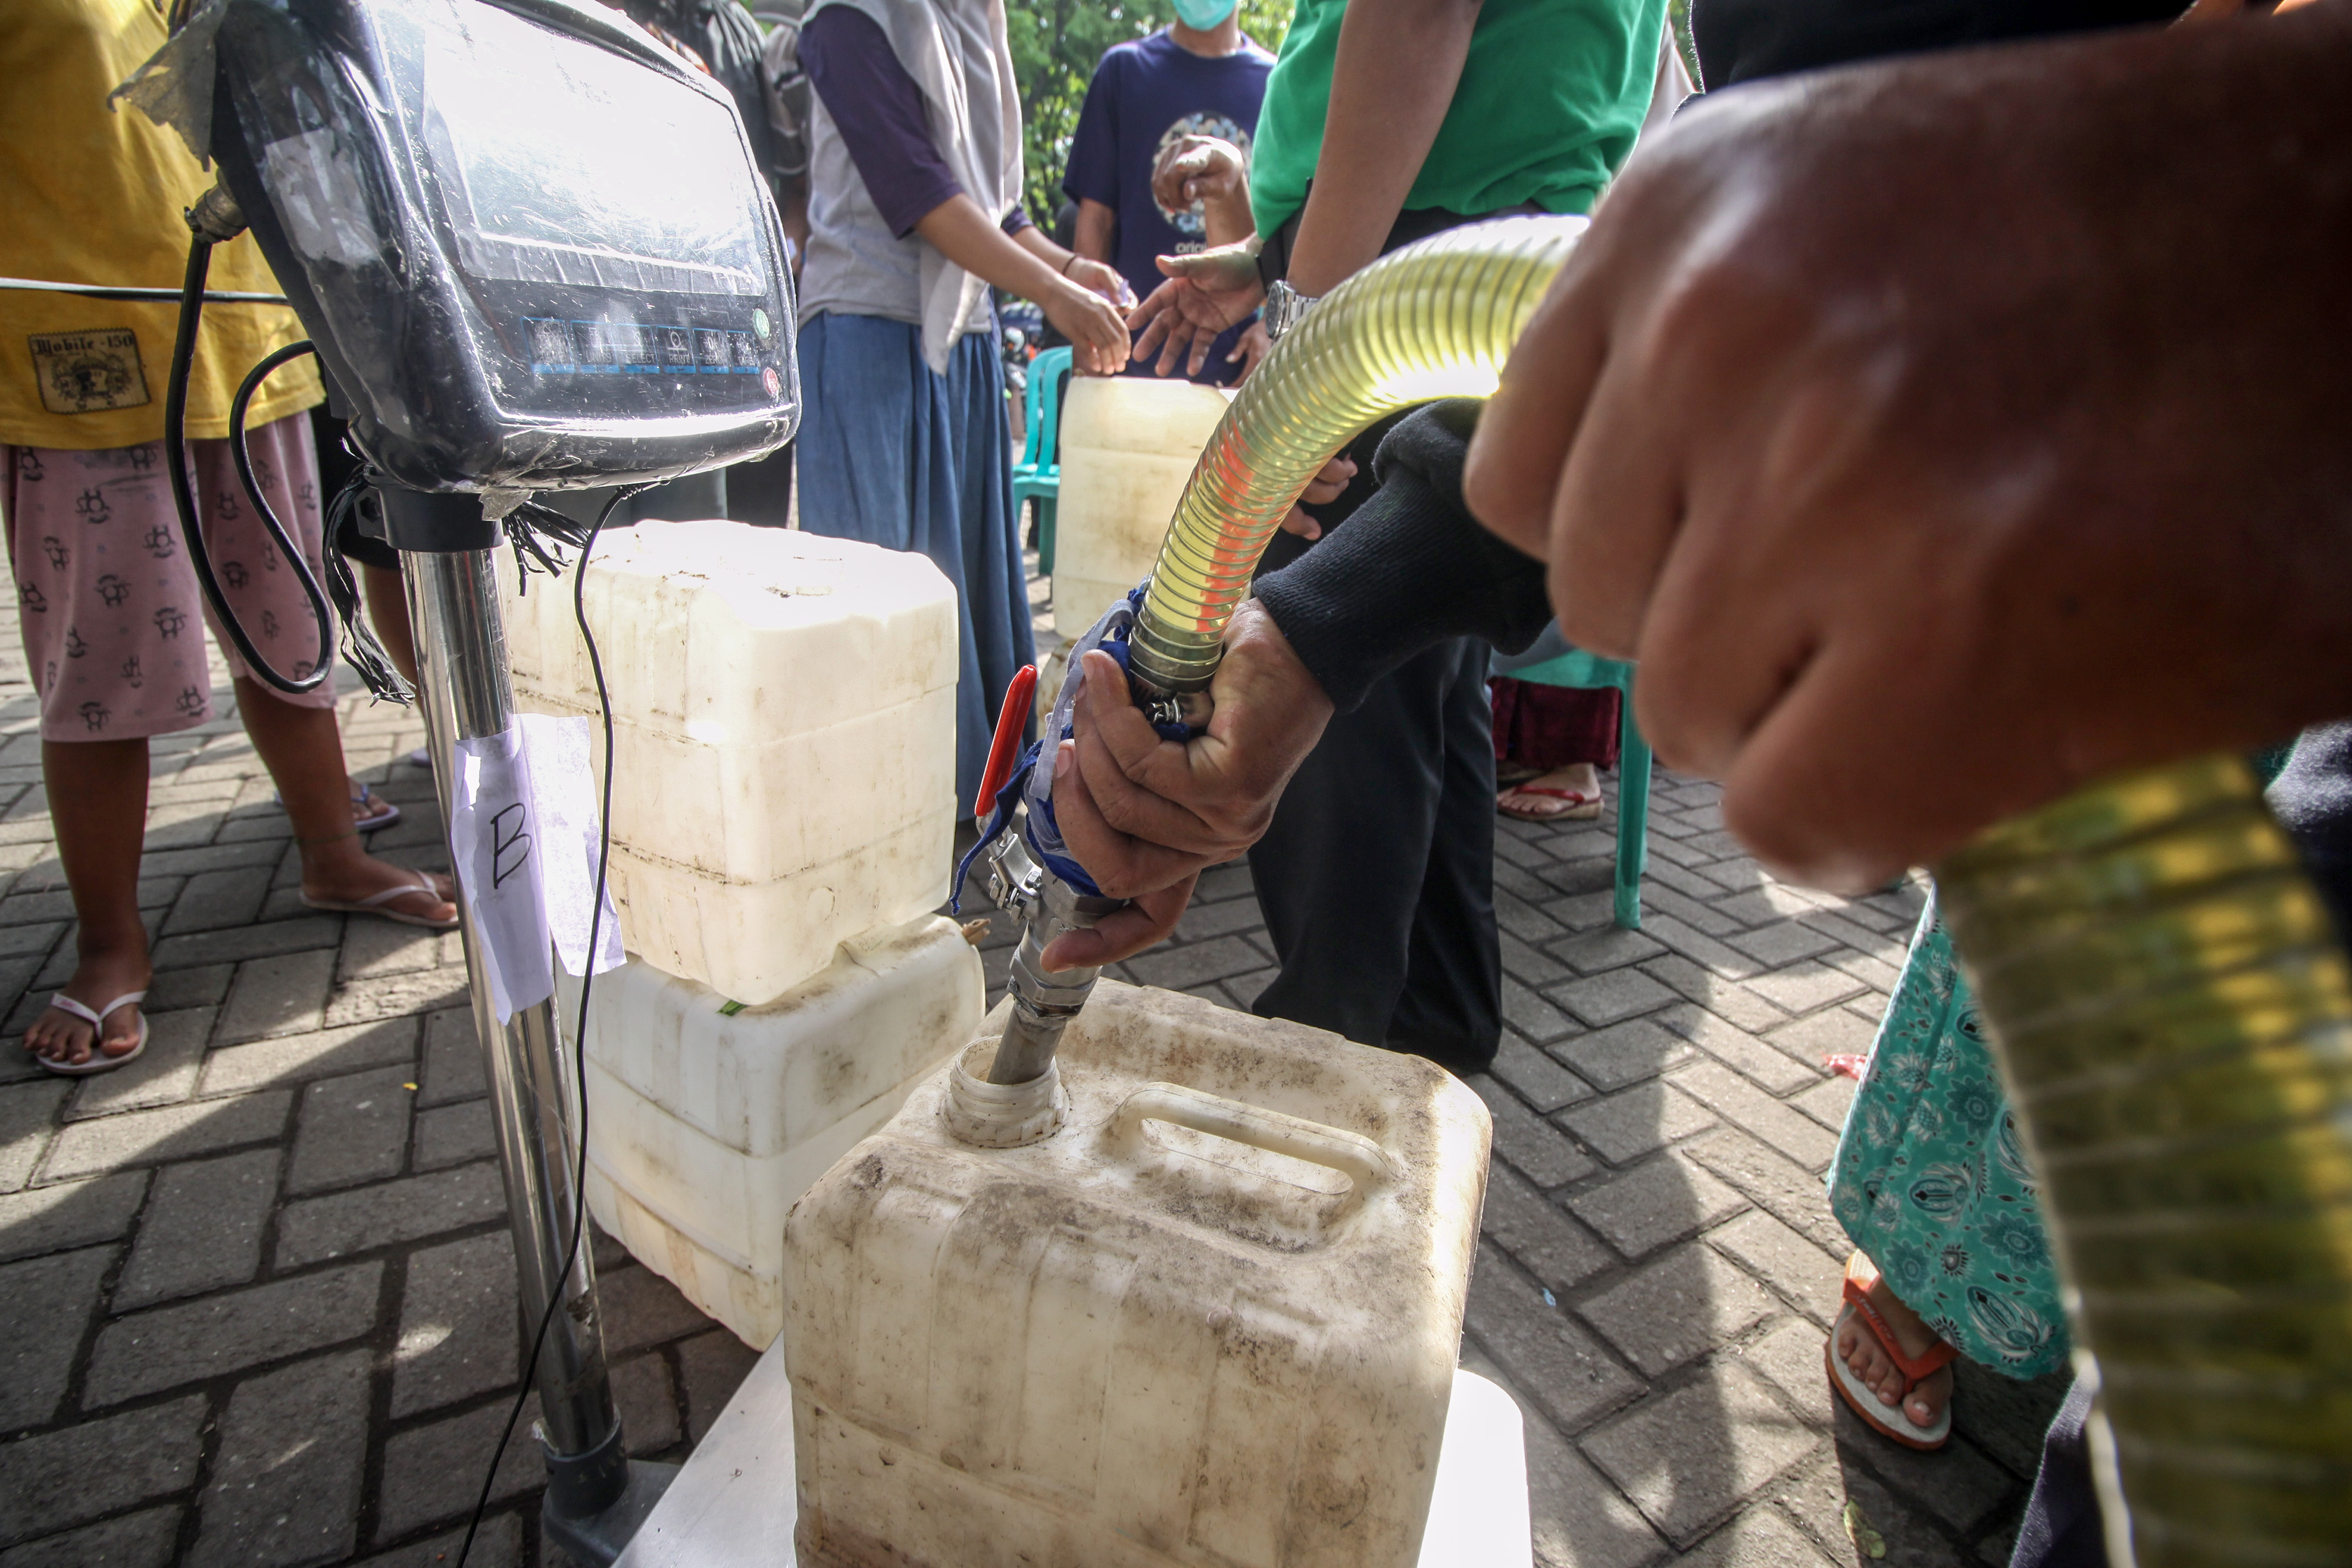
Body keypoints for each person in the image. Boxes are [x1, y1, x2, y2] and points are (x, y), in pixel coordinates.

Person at [1108, 0, 1672, 1075]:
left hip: (1404, 270)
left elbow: (1416, 14)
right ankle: (1435, 1021)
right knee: (1423, 658)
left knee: (1322, 669)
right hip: (1469, 246)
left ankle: (1329, 1050)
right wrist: (1277, 253)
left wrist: (1308, 321)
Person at [2, 0, 458, 1075]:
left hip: (248, 339)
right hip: (80, 366)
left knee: (290, 632)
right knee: (100, 673)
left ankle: (333, 854)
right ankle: (112, 941)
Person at [792, 0, 1132, 809]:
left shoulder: (974, 21)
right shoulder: (848, 18)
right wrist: (1053, 292)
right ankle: (883, 815)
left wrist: (1068, 270)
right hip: (868, 335)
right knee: (882, 607)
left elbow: (996, 208)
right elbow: (920, 193)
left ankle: (971, 810)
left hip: (962, 339)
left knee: (964, 589)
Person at [1062, 3, 1276, 385]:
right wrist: (1087, 334)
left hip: (1238, 377)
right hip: (1129, 364)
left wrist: (1273, 329)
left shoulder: (1275, 83)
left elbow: (1292, 229)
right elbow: (1095, 219)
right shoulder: (1125, 71)